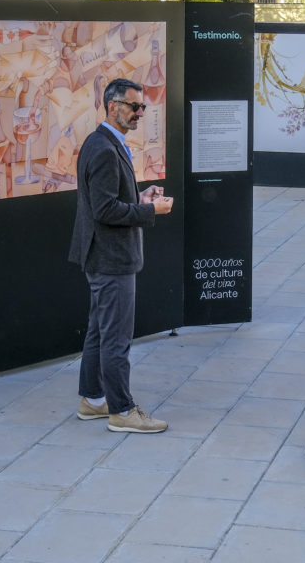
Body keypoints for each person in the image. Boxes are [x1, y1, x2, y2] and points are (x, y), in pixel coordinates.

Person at [69, 78, 174, 433]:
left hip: (102, 256)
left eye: (143, 107)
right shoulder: (103, 147)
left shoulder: (105, 143)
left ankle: (93, 400)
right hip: (110, 258)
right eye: (134, 106)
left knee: (99, 331)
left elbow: (110, 202)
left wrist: (141, 198)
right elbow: (104, 210)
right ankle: (122, 410)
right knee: (116, 338)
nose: (140, 113)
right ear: (113, 106)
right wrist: (151, 212)